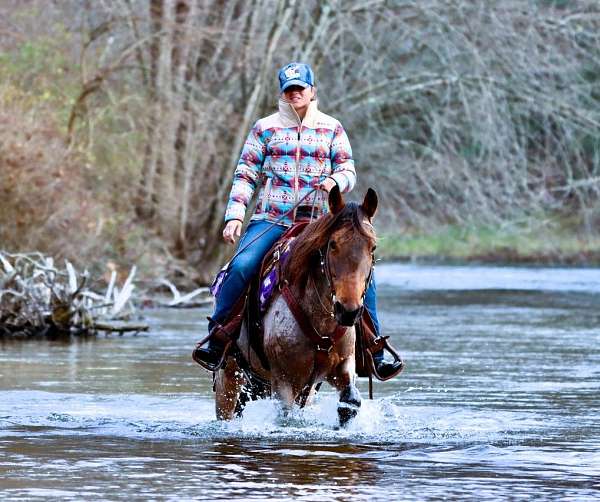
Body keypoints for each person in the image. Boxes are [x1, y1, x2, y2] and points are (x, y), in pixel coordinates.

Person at [195, 62, 401, 378]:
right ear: (283, 93)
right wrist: (235, 216)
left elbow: (348, 169)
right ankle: (218, 337)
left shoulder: (332, 128)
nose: (295, 94)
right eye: (289, 90)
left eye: (300, 89)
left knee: (359, 270)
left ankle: (373, 348)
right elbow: (246, 173)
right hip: (271, 218)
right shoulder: (265, 128)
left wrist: (335, 182)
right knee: (241, 266)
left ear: (312, 91)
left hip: (319, 222)